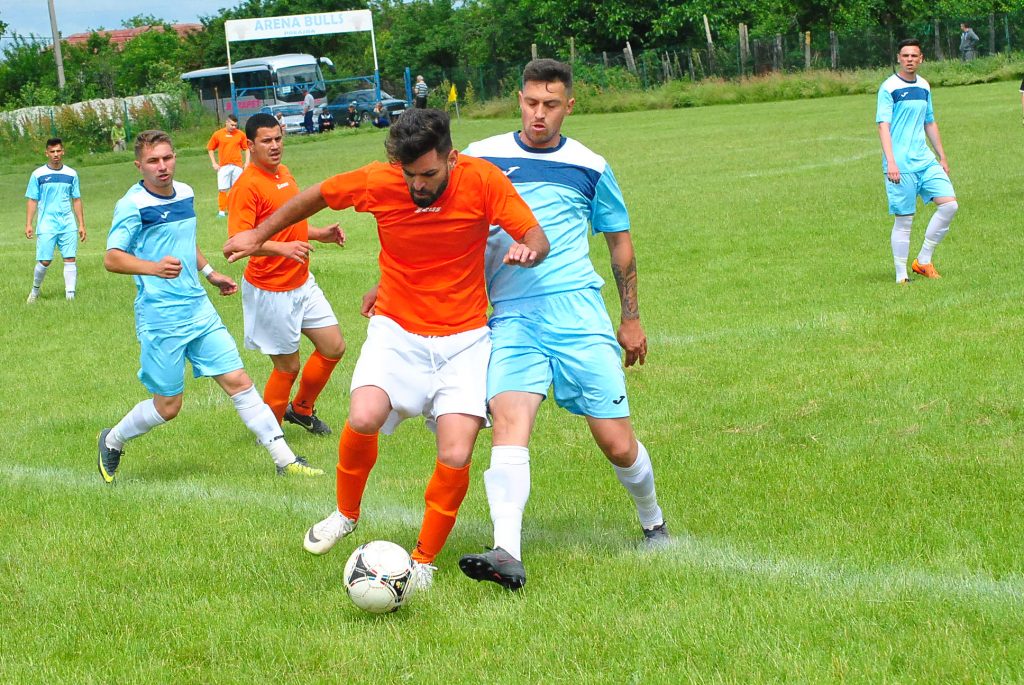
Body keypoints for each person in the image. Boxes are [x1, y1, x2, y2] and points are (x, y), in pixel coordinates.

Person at [222, 108, 549, 592]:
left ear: (452, 158)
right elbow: (318, 195)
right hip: (396, 330)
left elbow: (535, 234)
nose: (417, 185)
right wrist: (257, 234)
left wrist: (530, 249)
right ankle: (345, 514)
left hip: (464, 340)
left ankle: (423, 563)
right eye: (409, 174)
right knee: (363, 415)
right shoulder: (381, 180)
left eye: (428, 174)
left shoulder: (482, 180)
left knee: (457, 450)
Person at [450, 59, 667, 590]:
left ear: (569, 105)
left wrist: (631, 318)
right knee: (509, 422)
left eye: (550, 105)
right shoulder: (480, 157)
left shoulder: (591, 166)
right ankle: (507, 552)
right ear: (518, 100)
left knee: (616, 443)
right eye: (530, 103)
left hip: (578, 312)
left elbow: (619, 243)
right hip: (512, 317)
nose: (538, 114)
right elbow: (448, 226)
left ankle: (653, 521)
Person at [98, 130, 323, 484]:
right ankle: (112, 440)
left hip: (199, 310)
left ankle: (286, 460)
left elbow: (185, 241)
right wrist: (153, 268)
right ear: (139, 165)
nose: (162, 166)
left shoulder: (185, 193)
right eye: (153, 161)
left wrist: (210, 273)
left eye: (167, 158)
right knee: (168, 406)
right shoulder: (132, 205)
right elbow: (112, 258)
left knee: (239, 381)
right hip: (161, 318)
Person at [227, 112, 347, 436]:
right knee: (287, 366)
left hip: (301, 282)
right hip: (271, 290)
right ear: (250, 145)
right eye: (266, 140)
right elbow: (236, 244)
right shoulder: (246, 186)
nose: (275, 145)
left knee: (333, 346)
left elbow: (289, 223)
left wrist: (318, 233)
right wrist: (282, 249)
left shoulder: (284, 173)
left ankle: (302, 409)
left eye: (278, 138)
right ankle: (271, 436)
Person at [877, 39, 958, 283]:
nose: (909, 59)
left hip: (925, 160)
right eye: (905, 56)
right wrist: (891, 162)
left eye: (914, 55)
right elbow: (883, 126)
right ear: (898, 58)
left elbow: (929, 122)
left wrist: (942, 156)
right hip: (900, 164)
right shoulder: (889, 87)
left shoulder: (924, 86)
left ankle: (923, 260)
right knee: (905, 220)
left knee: (949, 205)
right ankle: (901, 275)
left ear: (921, 59)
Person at [25, 137, 86, 303]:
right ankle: (35, 291)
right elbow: (32, 200)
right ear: (47, 153)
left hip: (68, 223)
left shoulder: (71, 174)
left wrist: (81, 224)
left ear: (63, 152)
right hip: (47, 224)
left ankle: (70, 298)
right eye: (52, 151)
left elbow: (76, 199)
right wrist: (29, 224)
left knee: (70, 258)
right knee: (45, 261)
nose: (56, 154)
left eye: (58, 151)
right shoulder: (38, 175)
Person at [207, 115, 249, 218]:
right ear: (226, 123)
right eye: (232, 125)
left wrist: (247, 162)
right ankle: (221, 211)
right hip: (223, 166)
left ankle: (235, 210)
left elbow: (246, 148)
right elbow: (210, 148)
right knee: (222, 188)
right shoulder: (218, 134)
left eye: (235, 125)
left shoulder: (241, 134)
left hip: (237, 166)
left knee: (236, 189)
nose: (234, 127)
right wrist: (214, 163)